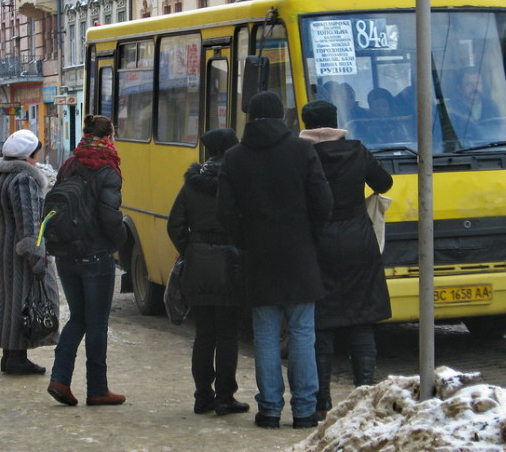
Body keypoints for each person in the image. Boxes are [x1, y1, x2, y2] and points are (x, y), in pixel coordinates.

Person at [216, 91, 334, 430]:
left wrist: (245, 240)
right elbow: (323, 203)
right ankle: (304, 410)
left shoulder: (235, 157)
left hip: (258, 257)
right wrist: (309, 236)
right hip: (299, 256)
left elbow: (224, 212)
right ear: (282, 116)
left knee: (265, 334)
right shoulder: (302, 150)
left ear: (250, 117)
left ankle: (268, 409)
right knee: (302, 333)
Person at [299, 100, 393, 418]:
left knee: (322, 323)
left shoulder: (300, 156)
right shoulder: (357, 150)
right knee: (361, 318)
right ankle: (364, 390)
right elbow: (384, 183)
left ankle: (322, 396)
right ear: (335, 121)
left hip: (317, 243)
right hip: (358, 241)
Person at [167, 128, 248, 417]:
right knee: (228, 334)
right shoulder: (240, 182)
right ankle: (225, 398)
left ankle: (203, 397)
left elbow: (174, 224)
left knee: (204, 335)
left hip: (198, 265)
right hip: (232, 265)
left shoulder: (192, 184)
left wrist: (191, 248)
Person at [47, 115, 128, 407]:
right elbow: (110, 216)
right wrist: (120, 241)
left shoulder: (69, 165)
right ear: (109, 137)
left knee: (78, 318)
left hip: (66, 253)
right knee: (96, 322)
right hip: (95, 256)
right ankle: (97, 388)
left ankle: (59, 378)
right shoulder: (108, 168)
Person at [0, 129, 60, 374]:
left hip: (4, 250)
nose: (40, 151)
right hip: (20, 253)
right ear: (30, 153)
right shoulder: (24, 179)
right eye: (38, 148)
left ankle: (11, 356)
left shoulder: (2, 176)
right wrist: (37, 258)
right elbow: (29, 224)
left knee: (10, 301)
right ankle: (17, 358)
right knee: (24, 301)